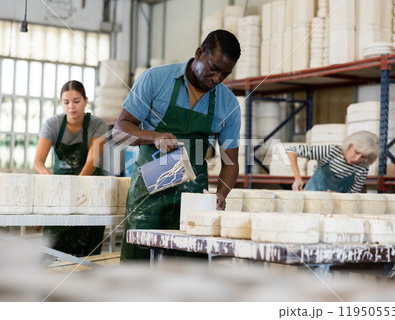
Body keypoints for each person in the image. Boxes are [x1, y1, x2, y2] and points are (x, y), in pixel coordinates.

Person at [113, 29, 241, 261]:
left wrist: (221, 194)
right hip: (148, 196)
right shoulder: (155, 80)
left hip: (193, 200)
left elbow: (230, 162)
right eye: (213, 68)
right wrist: (153, 137)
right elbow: (120, 129)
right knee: (138, 270)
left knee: (187, 275)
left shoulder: (228, 103)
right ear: (199, 53)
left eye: (225, 74)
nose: (216, 79)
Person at [33, 80, 108, 257]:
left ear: (85, 100)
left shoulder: (97, 125)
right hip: (60, 195)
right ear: (61, 103)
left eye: (76, 101)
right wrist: (48, 176)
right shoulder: (53, 124)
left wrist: (76, 186)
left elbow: (92, 160)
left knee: (88, 257)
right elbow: (38, 162)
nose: (71, 107)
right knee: (51, 253)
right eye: (66, 102)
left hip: (90, 195)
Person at [286, 130, 380, 193]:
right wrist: (297, 178)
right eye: (356, 152)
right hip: (311, 200)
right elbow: (291, 150)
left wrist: (340, 197)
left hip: (334, 209)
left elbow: (352, 196)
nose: (356, 159)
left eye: (363, 157)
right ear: (350, 144)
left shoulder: (362, 168)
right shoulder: (331, 152)